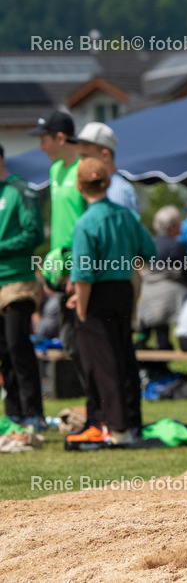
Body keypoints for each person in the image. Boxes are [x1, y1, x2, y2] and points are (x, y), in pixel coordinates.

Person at [64, 157, 156, 448]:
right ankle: (132, 423)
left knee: (103, 364)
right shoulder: (127, 216)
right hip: (123, 290)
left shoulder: (85, 223)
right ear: (106, 181)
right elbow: (149, 251)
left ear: (79, 186)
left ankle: (116, 429)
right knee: (125, 357)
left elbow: (83, 274)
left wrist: (81, 307)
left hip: (97, 296)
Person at [29, 110, 92, 428]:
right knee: (70, 341)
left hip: (79, 269)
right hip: (59, 268)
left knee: (85, 340)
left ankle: (100, 407)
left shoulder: (84, 168)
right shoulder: (55, 170)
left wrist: (78, 271)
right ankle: (96, 404)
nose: (40, 146)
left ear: (59, 138)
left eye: (43, 139)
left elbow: (88, 225)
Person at [0, 143, 46, 431]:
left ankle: (33, 414)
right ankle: (14, 414)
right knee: (3, 350)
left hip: (18, 281)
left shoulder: (21, 190)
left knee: (18, 346)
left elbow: (34, 234)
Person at [135, 205, 187, 351]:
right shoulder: (177, 245)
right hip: (171, 299)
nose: (181, 226)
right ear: (171, 226)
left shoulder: (151, 241)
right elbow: (186, 272)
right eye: (179, 223)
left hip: (148, 296)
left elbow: (140, 263)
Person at [74, 122, 138, 211]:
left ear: (105, 156)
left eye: (85, 156)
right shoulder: (108, 187)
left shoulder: (116, 192)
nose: (80, 162)